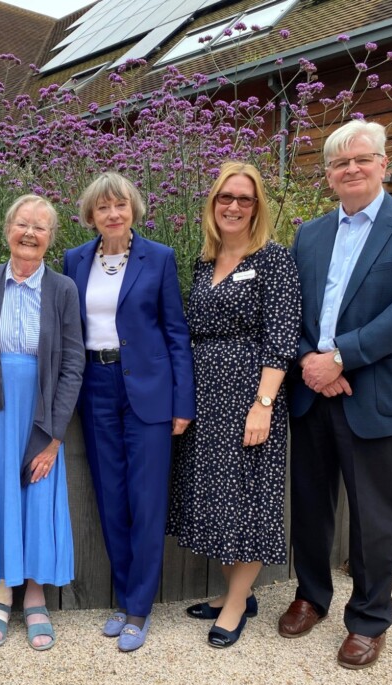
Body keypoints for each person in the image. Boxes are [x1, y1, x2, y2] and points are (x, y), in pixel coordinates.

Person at [280, 119, 392, 669]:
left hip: (373, 392)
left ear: (382, 163)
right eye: (338, 163)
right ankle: (311, 595)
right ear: (328, 175)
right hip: (311, 391)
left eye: (361, 159)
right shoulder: (310, 234)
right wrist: (311, 361)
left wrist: (340, 358)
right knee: (309, 504)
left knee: (374, 514)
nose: (350, 168)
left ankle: (370, 619)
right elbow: (295, 306)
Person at [167, 162, 301, 648]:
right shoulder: (205, 261)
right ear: (214, 203)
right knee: (213, 498)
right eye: (226, 197)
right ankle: (236, 594)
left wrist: (263, 403)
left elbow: (282, 336)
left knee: (246, 497)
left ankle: (238, 602)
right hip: (204, 396)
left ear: (257, 207)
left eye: (245, 199)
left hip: (249, 394)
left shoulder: (274, 260)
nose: (234, 206)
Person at [63, 172, 195, 652]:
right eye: (103, 208)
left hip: (149, 391)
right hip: (95, 385)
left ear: (134, 209)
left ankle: (140, 606)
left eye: (120, 205)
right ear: (91, 216)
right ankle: (123, 598)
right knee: (111, 496)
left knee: (145, 498)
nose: (113, 214)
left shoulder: (158, 257)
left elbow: (176, 332)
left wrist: (183, 402)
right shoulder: (74, 260)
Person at [0, 195, 84, 650]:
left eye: (40, 227)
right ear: (7, 229)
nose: (30, 234)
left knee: (36, 491)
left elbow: (72, 364)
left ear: (51, 238)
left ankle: (34, 595)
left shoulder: (63, 289)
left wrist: (53, 438)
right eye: (22, 224)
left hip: (41, 409)